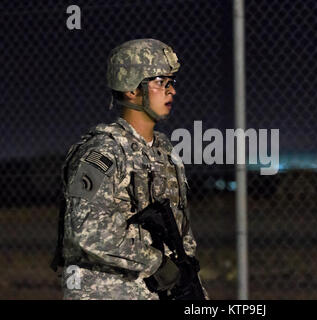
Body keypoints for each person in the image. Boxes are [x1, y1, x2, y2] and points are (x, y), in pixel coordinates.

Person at [51, 39, 207, 300]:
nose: (172, 91)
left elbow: (180, 232)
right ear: (131, 89)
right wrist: (156, 264)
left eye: (172, 82)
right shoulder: (103, 152)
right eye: (161, 82)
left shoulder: (164, 152)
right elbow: (87, 231)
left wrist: (190, 280)